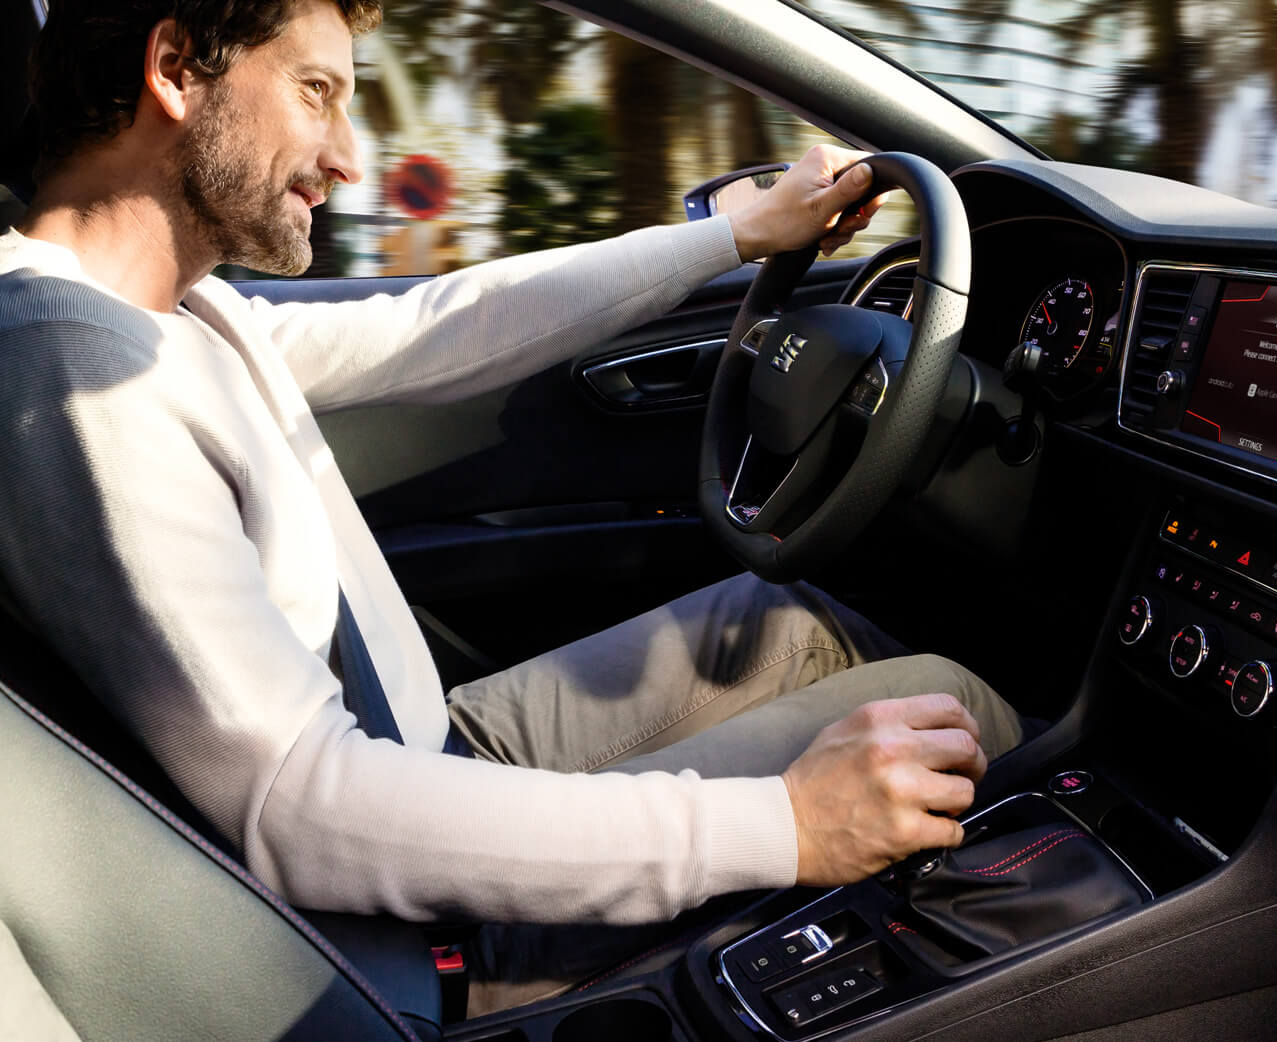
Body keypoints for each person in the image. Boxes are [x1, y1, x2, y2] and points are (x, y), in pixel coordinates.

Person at [0, 0, 1025, 1014]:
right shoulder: (78, 371)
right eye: (317, 92)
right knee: (947, 704)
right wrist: (787, 823)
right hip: (413, 926)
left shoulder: (172, 311)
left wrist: (735, 236)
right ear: (175, 69)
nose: (349, 158)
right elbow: (306, 810)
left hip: (430, 745)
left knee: (794, 626)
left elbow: (437, 328)